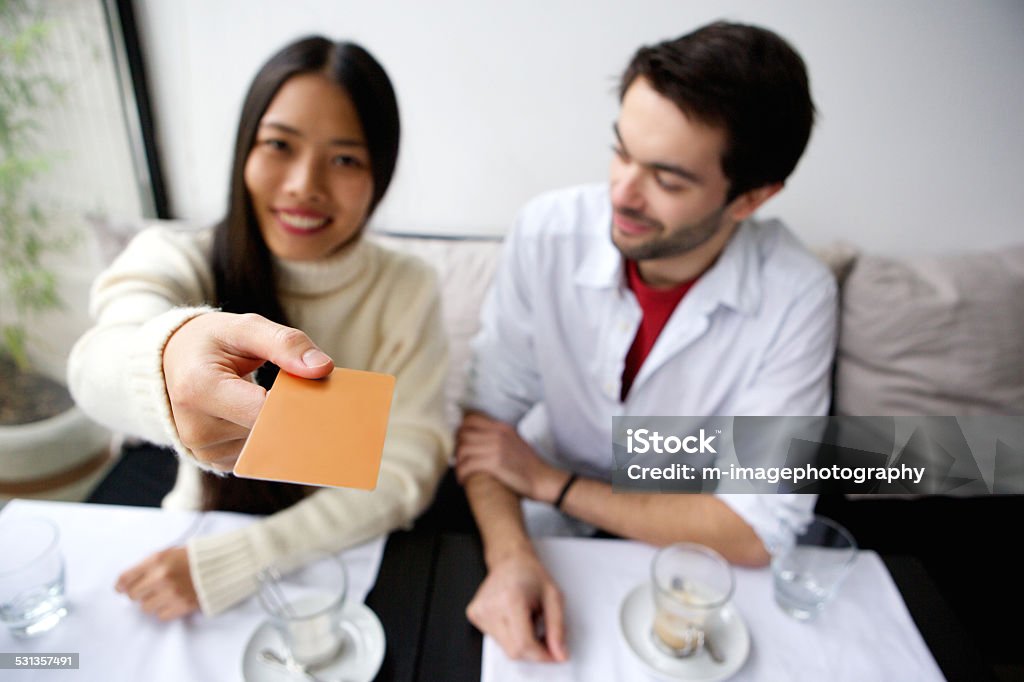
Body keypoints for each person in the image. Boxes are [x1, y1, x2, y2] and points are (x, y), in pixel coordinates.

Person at [454, 21, 836, 662]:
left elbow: (755, 529)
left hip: (688, 562)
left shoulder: (798, 295)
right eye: (621, 151)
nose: (622, 193)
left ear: (751, 198)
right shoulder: (547, 231)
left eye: (668, 179)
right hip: (541, 532)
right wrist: (511, 555)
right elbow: (487, 425)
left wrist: (553, 483)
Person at [68, 36, 450, 620]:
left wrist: (240, 561)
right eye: (279, 145)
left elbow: (406, 470)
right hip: (195, 534)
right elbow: (96, 363)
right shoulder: (181, 256)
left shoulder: (407, 288)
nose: (304, 183)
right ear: (245, 148)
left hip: (340, 553)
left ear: (381, 172)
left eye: (345, 158)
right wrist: (168, 357)